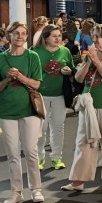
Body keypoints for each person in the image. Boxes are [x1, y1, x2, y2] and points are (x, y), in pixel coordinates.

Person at [62, 24, 102, 191]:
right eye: (93, 36)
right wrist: (89, 62)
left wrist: (97, 61)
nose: (94, 40)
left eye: (98, 36)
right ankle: (77, 181)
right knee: (83, 142)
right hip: (89, 105)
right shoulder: (90, 56)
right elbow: (78, 78)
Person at [0, 22, 44, 203]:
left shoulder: (32, 56)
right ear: (9, 36)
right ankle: (16, 192)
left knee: (30, 150)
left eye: (23, 33)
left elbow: (37, 84)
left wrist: (20, 77)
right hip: (7, 111)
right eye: (16, 34)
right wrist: (7, 77)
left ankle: (36, 189)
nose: (20, 37)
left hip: (29, 109)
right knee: (12, 153)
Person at [35, 25, 74, 171]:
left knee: (58, 126)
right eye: (54, 36)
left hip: (60, 95)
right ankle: (39, 158)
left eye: (59, 35)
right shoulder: (36, 52)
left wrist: (69, 71)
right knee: (41, 128)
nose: (57, 38)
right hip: (41, 95)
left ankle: (57, 158)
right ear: (45, 38)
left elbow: (72, 69)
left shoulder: (65, 51)